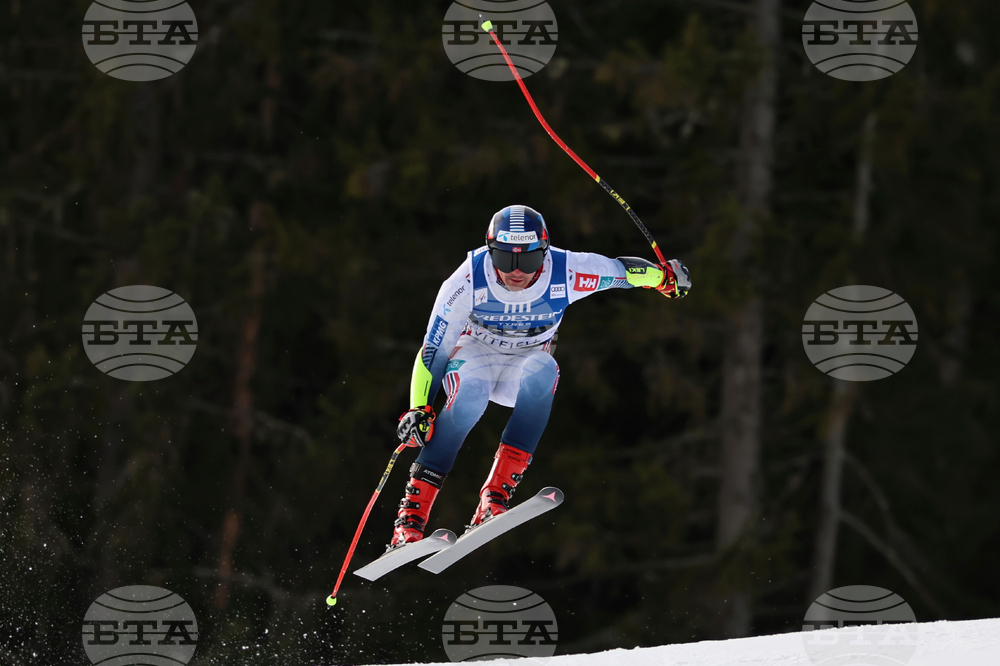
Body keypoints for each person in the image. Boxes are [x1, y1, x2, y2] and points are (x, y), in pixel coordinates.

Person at [389, 205, 691, 548]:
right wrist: (420, 408)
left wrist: (663, 278)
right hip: (475, 357)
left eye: (528, 261)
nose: (516, 272)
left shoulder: (568, 271)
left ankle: (494, 498)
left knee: (545, 370)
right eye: (505, 259)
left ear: (544, 253)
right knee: (469, 397)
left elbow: (622, 271)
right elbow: (434, 349)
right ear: (491, 252)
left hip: (523, 365)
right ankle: (410, 519)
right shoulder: (467, 280)